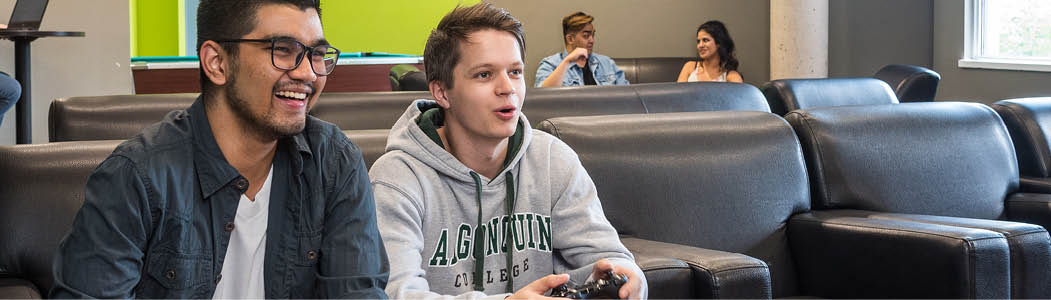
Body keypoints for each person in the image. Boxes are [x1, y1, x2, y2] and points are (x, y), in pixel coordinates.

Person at [50, 0, 389, 298]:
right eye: (283, 50)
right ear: (216, 62)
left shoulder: (334, 161)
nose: (308, 73)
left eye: (315, 54)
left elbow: (358, 293)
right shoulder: (135, 177)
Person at [370, 3, 646, 299]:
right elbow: (397, 294)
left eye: (515, 72)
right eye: (484, 75)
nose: (507, 88)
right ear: (441, 92)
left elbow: (606, 255)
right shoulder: (396, 178)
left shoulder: (553, 159)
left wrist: (626, 276)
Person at [535, 11, 628, 87]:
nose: (592, 40)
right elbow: (544, 97)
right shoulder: (550, 65)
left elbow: (628, 96)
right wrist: (567, 61)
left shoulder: (607, 63)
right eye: (586, 36)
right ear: (570, 39)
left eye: (593, 35)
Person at [677, 20, 743, 83]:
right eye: (698, 41)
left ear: (718, 43)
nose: (700, 45)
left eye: (705, 40)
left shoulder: (731, 76)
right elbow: (678, 93)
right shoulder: (690, 67)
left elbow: (740, 94)